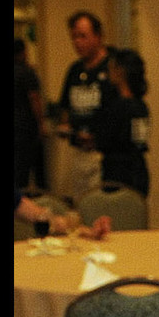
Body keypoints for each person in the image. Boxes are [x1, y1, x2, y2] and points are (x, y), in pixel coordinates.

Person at [54, 11, 113, 193]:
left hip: (102, 154)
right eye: (74, 37)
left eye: (83, 36)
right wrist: (65, 125)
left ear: (98, 36)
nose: (77, 42)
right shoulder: (74, 70)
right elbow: (65, 106)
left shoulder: (112, 68)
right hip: (79, 152)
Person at [89, 47, 151, 196]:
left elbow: (104, 141)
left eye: (111, 68)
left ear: (120, 71)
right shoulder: (141, 106)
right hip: (139, 171)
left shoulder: (117, 107)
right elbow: (140, 141)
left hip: (117, 174)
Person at [14, 38, 46, 191]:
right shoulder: (27, 72)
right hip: (26, 127)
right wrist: (41, 123)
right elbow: (34, 98)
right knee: (33, 170)